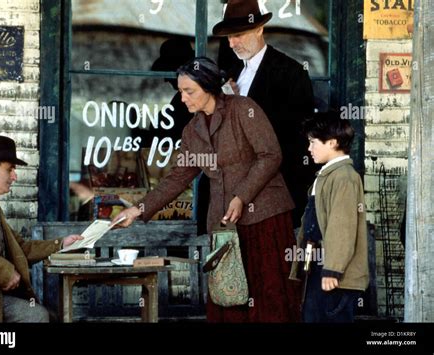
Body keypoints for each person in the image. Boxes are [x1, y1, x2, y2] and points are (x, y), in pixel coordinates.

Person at [114, 57, 301, 322]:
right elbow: (178, 177)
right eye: (180, 91)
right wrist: (137, 209)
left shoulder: (243, 109)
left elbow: (270, 155)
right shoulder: (192, 131)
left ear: (209, 86)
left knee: (268, 298)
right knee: (228, 296)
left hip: (264, 220)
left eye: (189, 91)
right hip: (225, 227)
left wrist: (241, 196)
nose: (182, 98)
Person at [213, 0, 316, 228]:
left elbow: (297, 141)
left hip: (272, 196)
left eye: (238, 35)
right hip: (233, 194)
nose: (232, 43)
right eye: (229, 37)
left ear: (259, 29)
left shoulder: (291, 73)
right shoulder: (233, 72)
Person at [0, 135, 83, 322]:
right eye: (10, 169)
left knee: (45, 314)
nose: (15, 176)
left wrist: (60, 244)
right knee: (38, 316)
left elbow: (20, 248)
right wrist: (4, 272)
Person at [289, 112, 369, 322]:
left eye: (313, 142)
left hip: (335, 275)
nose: (309, 149)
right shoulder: (328, 175)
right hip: (319, 266)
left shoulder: (344, 178)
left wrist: (333, 269)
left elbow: (342, 227)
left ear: (332, 142)